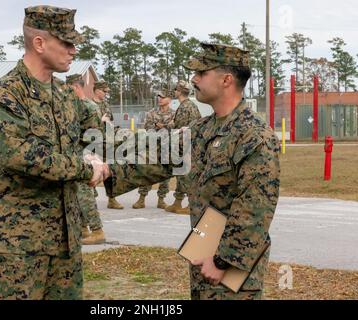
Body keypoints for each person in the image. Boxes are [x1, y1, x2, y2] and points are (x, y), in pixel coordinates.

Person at [101, 43, 281, 300]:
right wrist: (108, 172)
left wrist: (223, 261)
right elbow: (161, 160)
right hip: (203, 255)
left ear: (226, 79)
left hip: (232, 272)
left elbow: (256, 208)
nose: (193, 79)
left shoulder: (255, 136)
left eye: (201, 73)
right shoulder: (201, 129)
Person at [0, 5, 107, 300]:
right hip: (17, 244)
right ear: (39, 43)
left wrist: (97, 156)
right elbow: (19, 154)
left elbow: (89, 137)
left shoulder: (63, 95)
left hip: (65, 239)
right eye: (66, 43)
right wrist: (86, 169)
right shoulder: (7, 93)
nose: (74, 50)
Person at [65, 73, 106, 245]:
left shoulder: (84, 106)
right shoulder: (85, 105)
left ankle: (97, 231)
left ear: (75, 87)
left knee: (84, 193)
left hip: (85, 153)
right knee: (77, 193)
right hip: (83, 153)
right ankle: (83, 229)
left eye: (68, 89)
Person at [132, 89, 175, 210]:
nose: (159, 99)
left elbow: (176, 127)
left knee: (165, 175)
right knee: (147, 172)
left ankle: (161, 200)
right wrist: (158, 126)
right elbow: (147, 126)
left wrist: (164, 126)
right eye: (158, 97)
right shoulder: (151, 112)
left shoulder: (174, 113)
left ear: (169, 99)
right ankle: (141, 199)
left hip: (167, 148)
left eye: (162, 97)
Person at [165, 80, 202, 215]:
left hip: (185, 145)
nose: (174, 92)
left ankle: (192, 204)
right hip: (190, 144)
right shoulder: (191, 106)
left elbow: (179, 128)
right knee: (181, 174)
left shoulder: (184, 107)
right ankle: (178, 202)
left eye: (175, 90)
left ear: (179, 92)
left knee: (186, 175)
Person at [92, 80, 124, 210]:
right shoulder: (88, 105)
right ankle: (90, 201)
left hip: (107, 143)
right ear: (97, 90)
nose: (106, 94)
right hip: (93, 143)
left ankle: (112, 198)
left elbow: (110, 122)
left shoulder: (106, 105)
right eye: (104, 91)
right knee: (92, 170)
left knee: (110, 171)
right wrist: (100, 121)